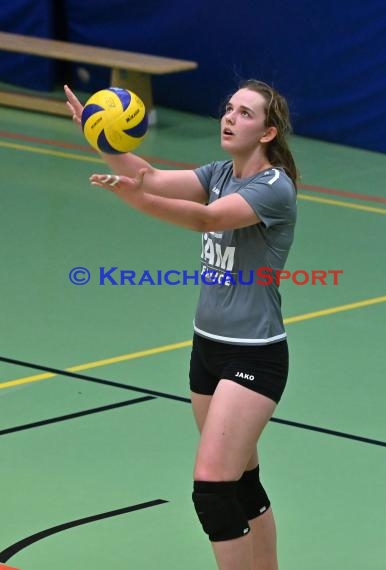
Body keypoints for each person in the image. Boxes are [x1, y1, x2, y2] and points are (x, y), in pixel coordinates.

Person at [65, 79, 298, 570]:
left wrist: (137, 197)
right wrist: (102, 138)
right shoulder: (219, 173)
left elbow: (206, 219)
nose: (229, 117)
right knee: (241, 484)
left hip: (253, 354)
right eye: (228, 108)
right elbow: (148, 176)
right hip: (207, 349)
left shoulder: (274, 188)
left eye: (244, 113)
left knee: (212, 490)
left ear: (267, 131)